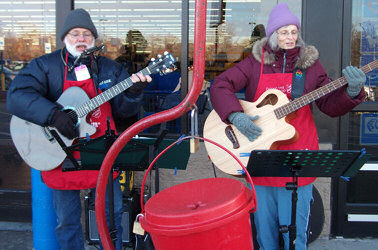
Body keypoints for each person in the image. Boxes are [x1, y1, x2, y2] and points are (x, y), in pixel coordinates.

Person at [210, 3, 366, 250]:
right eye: (283, 32)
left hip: (298, 159)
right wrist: (235, 115)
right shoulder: (254, 63)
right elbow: (220, 85)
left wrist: (353, 92)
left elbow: (329, 105)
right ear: (273, 35)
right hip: (261, 157)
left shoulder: (310, 66)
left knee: (295, 235)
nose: (290, 37)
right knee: (265, 233)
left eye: (294, 32)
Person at [6, 8, 151, 250]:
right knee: (67, 222)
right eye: (74, 34)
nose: (81, 39)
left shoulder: (109, 69)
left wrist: (133, 94)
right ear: (64, 38)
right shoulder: (46, 66)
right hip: (59, 154)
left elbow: (124, 110)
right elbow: (17, 95)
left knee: (112, 217)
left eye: (86, 34)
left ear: (94, 38)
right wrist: (52, 115)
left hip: (101, 153)